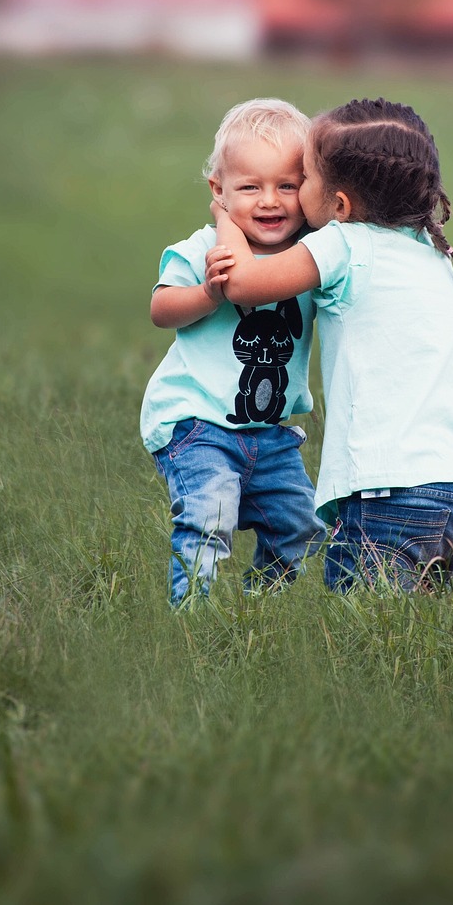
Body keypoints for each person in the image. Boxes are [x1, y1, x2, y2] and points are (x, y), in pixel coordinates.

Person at [207, 97, 453, 593]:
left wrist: (225, 212)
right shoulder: (432, 251)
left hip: (385, 493)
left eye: (304, 178)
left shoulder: (343, 244)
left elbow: (241, 283)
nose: (294, 195)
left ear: (339, 205)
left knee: (364, 646)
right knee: (411, 644)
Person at [140, 98, 325, 606]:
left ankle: (258, 610)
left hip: (271, 435)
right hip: (197, 423)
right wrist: (208, 293)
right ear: (217, 191)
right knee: (209, 516)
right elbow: (161, 308)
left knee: (301, 529)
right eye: (250, 187)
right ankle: (191, 622)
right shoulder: (204, 248)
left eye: (287, 185)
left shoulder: (310, 256)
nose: (271, 201)